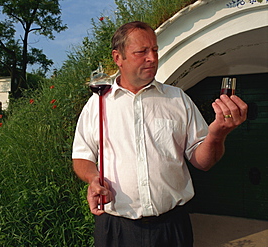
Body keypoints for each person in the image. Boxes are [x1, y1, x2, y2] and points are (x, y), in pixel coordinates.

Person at [72, 21, 248, 246]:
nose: (152, 58)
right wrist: (92, 179)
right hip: (115, 229)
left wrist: (217, 134)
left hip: (172, 229)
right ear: (118, 58)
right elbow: (81, 156)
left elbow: (203, 162)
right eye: (141, 52)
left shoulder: (178, 99)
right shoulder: (97, 104)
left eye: (154, 50)